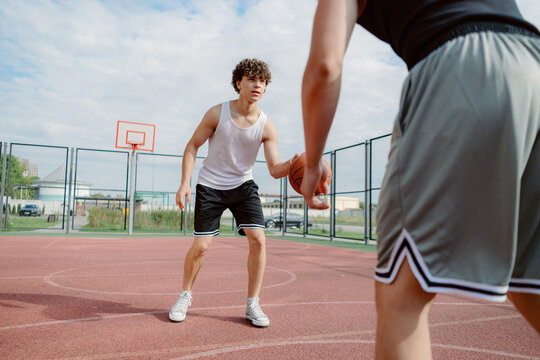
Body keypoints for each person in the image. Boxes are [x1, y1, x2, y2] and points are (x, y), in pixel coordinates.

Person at [300, 0, 540, 358]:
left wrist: (313, 161)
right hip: (533, 60)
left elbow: (324, 66)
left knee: (402, 292)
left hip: (462, 65)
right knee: (529, 281)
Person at [169, 58, 297, 328]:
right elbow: (192, 146)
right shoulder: (217, 113)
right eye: (251, 79)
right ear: (238, 83)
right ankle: (185, 295)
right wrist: (184, 183)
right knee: (201, 246)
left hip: (242, 184)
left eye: (262, 81)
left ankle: (253, 304)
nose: (257, 85)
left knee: (258, 240)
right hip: (210, 184)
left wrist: (296, 163)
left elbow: (275, 169)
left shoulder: (266, 126)